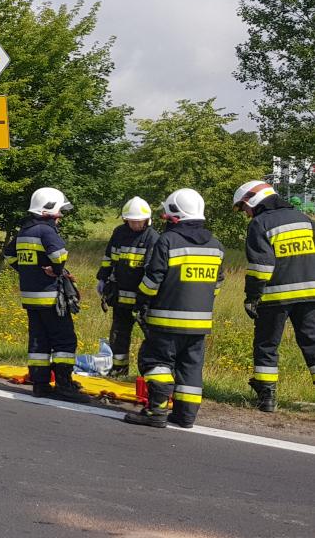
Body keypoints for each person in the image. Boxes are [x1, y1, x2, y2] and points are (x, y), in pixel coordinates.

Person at [125, 189, 224, 429]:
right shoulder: (216, 245)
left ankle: (156, 411)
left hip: (166, 320)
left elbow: (153, 280)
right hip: (199, 324)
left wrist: (141, 301)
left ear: (175, 216)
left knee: (155, 361)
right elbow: (217, 284)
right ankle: (185, 416)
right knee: (190, 368)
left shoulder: (167, 240)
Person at [233, 180, 315, 412]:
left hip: (274, 298)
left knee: (267, 345)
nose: (246, 214)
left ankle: (267, 398)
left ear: (253, 200)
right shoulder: (304, 219)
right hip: (310, 295)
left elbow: (261, 267)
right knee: (312, 343)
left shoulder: (260, 223)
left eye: (244, 208)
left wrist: (252, 297)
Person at [3, 187, 91, 403]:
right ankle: (64, 385)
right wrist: (56, 270)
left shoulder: (23, 231)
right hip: (50, 297)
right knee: (64, 340)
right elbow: (59, 256)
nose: (60, 217)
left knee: (38, 341)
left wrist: (28, 270)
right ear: (48, 211)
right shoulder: (46, 231)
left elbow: (9, 255)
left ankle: (40, 385)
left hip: (30, 298)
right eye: (59, 212)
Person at [95, 197, 160, 378]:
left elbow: (152, 270)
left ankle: (154, 375)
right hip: (120, 298)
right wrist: (102, 278)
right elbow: (109, 257)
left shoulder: (152, 238)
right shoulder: (119, 233)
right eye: (131, 221)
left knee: (152, 337)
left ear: (147, 220)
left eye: (139, 221)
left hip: (143, 299)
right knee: (118, 335)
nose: (135, 225)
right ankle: (119, 370)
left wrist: (145, 298)